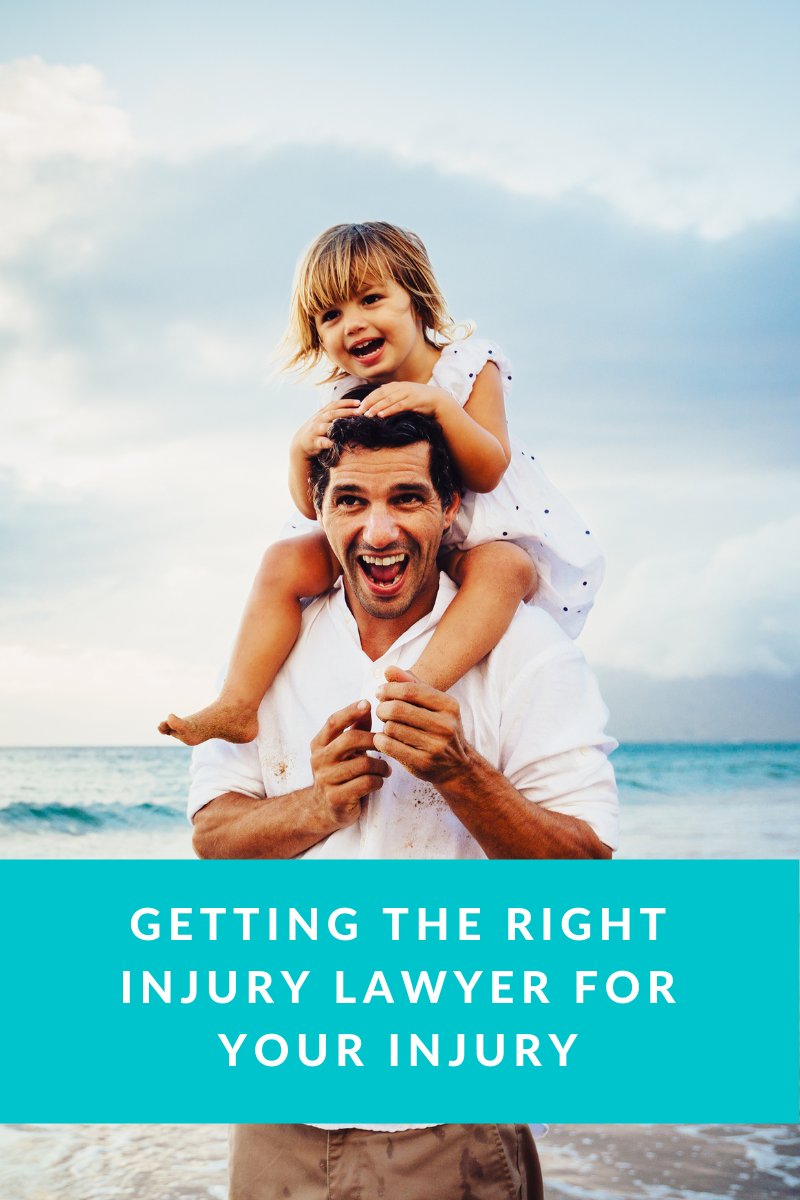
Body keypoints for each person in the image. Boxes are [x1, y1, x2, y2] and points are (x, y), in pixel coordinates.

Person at [188, 410, 618, 1199]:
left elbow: (585, 873)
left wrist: (460, 773)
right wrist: (317, 806)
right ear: (318, 513)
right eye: (350, 501)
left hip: (450, 1123)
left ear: (450, 508)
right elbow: (213, 835)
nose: (378, 531)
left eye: (407, 499)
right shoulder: (270, 648)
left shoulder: (524, 652)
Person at [160, 221, 604, 747]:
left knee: (505, 569)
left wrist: (441, 406)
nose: (353, 324)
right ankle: (238, 704)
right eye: (331, 315)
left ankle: (413, 692)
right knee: (282, 559)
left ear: (415, 300)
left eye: (371, 300)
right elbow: (313, 510)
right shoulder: (347, 395)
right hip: (381, 537)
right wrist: (298, 452)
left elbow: (489, 469)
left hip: (479, 530)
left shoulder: (466, 367)